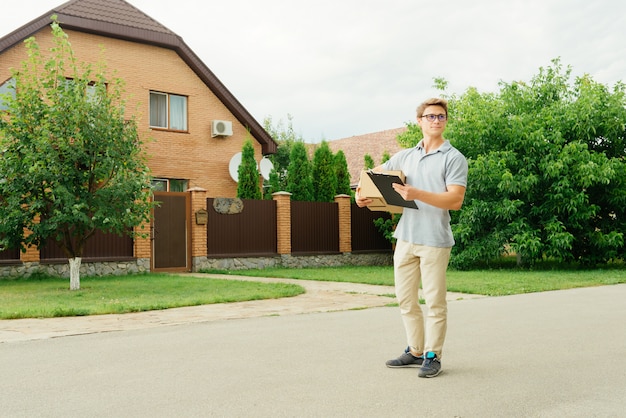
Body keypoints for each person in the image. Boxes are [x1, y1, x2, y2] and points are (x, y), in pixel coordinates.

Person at [356, 98, 468, 378]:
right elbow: (374, 174)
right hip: (405, 238)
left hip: (435, 240)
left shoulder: (453, 157)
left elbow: (455, 200)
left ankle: (433, 355)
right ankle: (415, 351)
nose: (436, 121)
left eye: (441, 117)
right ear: (419, 121)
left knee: (434, 302)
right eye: (430, 116)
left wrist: (416, 193)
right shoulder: (405, 156)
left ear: (445, 121)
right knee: (406, 300)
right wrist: (361, 194)